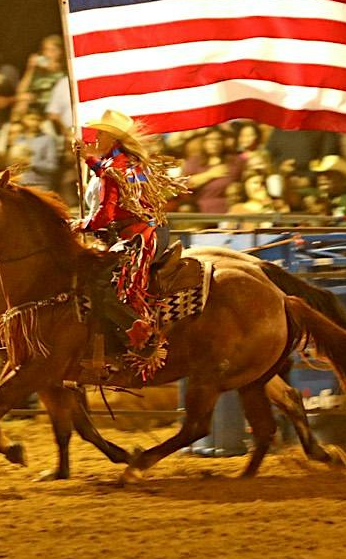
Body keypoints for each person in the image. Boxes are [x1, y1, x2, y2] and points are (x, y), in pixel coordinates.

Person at [72, 111, 188, 376]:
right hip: (142, 231)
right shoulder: (122, 163)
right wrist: (87, 158)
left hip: (141, 235)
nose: (95, 137)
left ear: (112, 138)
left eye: (100, 134)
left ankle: (144, 338)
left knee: (107, 283)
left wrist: (78, 225)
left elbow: (104, 215)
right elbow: (108, 173)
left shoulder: (118, 167)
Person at [181, 128, 243, 216]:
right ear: (203, 142)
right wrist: (210, 174)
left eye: (218, 139)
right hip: (199, 212)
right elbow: (186, 184)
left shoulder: (235, 162)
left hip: (228, 212)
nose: (214, 143)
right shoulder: (194, 162)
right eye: (209, 140)